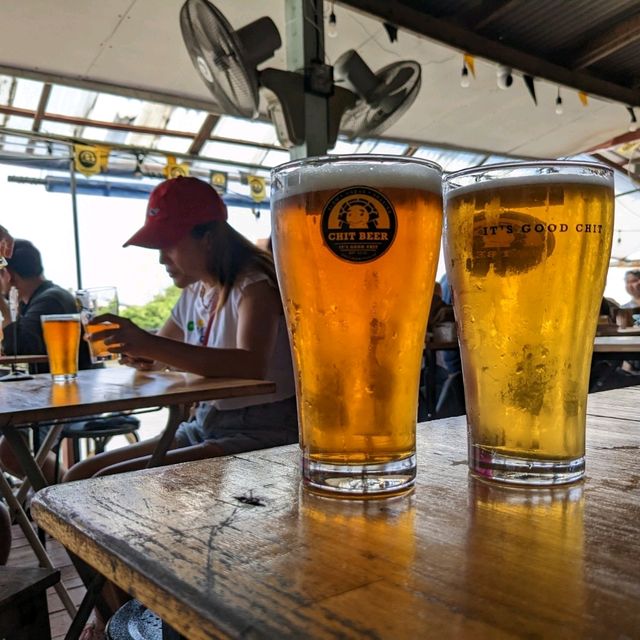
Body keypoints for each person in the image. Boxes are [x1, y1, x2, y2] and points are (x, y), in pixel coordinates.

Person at [64, 176, 297, 482]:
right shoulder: (194, 291)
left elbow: (251, 364)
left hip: (262, 429)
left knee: (101, 482)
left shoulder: (254, 284)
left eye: (168, 244)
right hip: (204, 423)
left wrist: (149, 345)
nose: (161, 258)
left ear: (208, 237)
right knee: (80, 474)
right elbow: (161, 352)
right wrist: (140, 352)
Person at [0, 239, 92, 484]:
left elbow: (17, 347)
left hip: (67, 398)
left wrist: (5, 307)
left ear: (7, 274)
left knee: (8, 451)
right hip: (49, 396)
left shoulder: (50, 299)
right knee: (8, 446)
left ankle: (66, 497)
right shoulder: (40, 298)